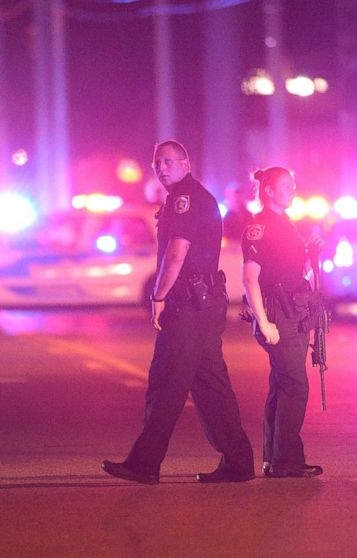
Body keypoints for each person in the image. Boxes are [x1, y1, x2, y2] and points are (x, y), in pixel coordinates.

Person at [102, 141, 255, 485]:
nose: (162, 167)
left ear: (186, 163)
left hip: (188, 305)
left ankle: (145, 463)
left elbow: (176, 252)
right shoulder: (185, 197)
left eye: (169, 161)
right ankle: (239, 462)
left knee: (166, 383)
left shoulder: (186, 199)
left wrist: (159, 296)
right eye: (157, 162)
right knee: (210, 386)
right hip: (202, 305)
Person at [242, 166, 324, 478]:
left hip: (294, 310)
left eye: (293, 184)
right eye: (286, 186)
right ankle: (286, 460)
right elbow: (250, 279)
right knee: (295, 385)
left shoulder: (286, 224)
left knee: (281, 385)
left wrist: (311, 250)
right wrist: (264, 323)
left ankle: (274, 458)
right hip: (278, 313)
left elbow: (294, 270)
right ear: (269, 192)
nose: (292, 189)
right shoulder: (259, 227)